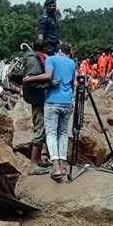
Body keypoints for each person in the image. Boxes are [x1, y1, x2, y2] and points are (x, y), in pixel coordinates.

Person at [23, 43, 76, 181]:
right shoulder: (72, 63)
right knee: (63, 133)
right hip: (67, 102)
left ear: (57, 51)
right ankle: (63, 165)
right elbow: (73, 84)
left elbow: (48, 75)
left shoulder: (51, 59)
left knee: (51, 134)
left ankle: (56, 168)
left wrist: (28, 79)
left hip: (52, 101)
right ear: (68, 53)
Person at [21, 39, 50, 175]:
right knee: (40, 129)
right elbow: (31, 81)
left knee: (41, 128)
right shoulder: (34, 61)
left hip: (36, 99)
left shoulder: (33, 58)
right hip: (37, 99)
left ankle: (38, 160)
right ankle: (33, 164)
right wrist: (49, 84)